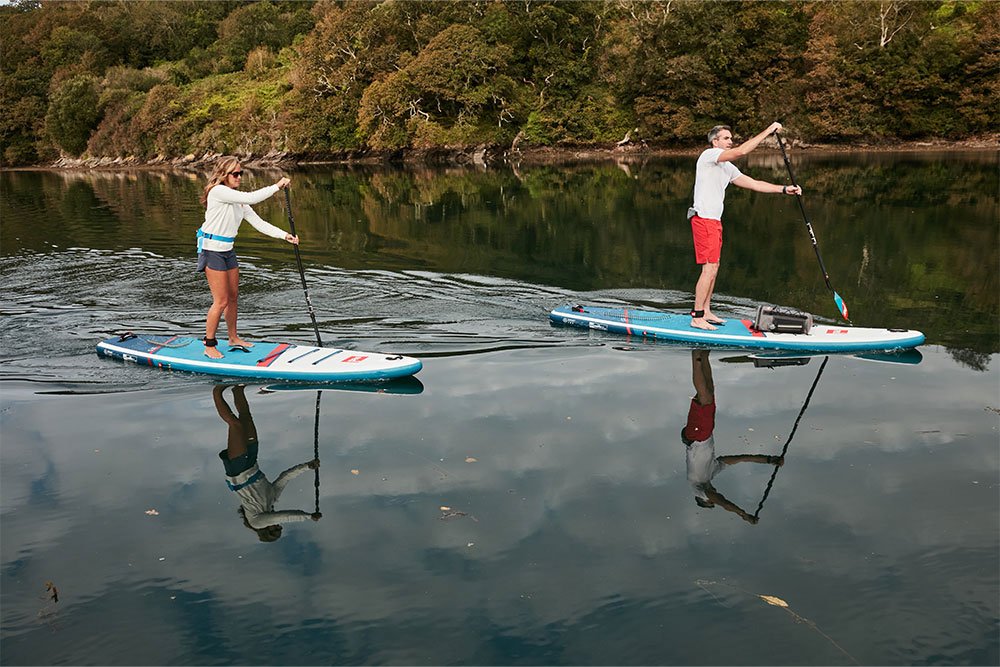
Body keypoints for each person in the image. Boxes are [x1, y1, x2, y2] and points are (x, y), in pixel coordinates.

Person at [688, 122, 802, 330]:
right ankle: (696, 317)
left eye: (731, 138)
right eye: (726, 138)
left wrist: (784, 189)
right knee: (709, 268)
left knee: (714, 267)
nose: (730, 141)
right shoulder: (708, 156)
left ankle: (706, 311)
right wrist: (767, 130)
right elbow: (741, 151)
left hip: (714, 221)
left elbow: (754, 184)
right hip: (703, 219)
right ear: (715, 141)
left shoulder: (727, 167)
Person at [198, 156, 298, 359]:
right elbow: (252, 197)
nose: (239, 177)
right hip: (212, 251)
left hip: (228, 251)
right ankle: (209, 345)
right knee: (221, 301)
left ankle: (233, 338)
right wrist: (277, 186)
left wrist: (284, 235)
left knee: (233, 297)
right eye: (235, 173)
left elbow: (258, 222)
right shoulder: (218, 192)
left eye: (240, 173)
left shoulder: (236, 200)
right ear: (224, 175)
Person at [682, 349, 782, 525]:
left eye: (709, 502)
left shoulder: (697, 487)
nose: (712, 498)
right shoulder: (711, 473)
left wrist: (742, 514)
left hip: (697, 436)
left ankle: (695, 354)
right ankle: (703, 353)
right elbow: (740, 458)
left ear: (704, 499)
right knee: (709, 391)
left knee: (704, 397)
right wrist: (768, 459)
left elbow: (720, 500)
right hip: (704, 433)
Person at [214, 384, 321, 542]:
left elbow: (284, 516)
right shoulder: (272, 497)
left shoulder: (256, 522)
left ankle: (217, 391)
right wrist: (308, 466)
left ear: (266, 530)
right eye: (279, 528)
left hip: (238, 472)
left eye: (275, 528)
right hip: (251, 464)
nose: (278, 525)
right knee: (246, 417)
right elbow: (286, 477)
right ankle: (238, 389)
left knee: (235, 425)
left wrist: (307, 517)